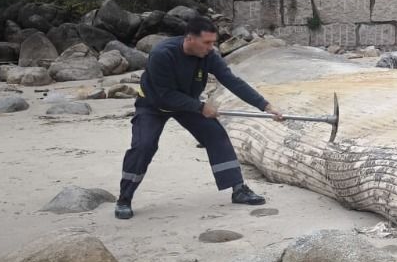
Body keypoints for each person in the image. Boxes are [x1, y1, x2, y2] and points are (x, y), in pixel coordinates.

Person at [115, 17, 283, 220]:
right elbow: (164, 95)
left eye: (213, 42)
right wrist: (201, 107)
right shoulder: (162, 54)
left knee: (216, 135)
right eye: (207, 42)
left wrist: (265, 106)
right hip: (153, 105)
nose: (211, 47)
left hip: (187, 103)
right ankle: (124, 199)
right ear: (189, 39)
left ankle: (239, 189)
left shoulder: (208, 55)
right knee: (144, 145)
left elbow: (232, 81)